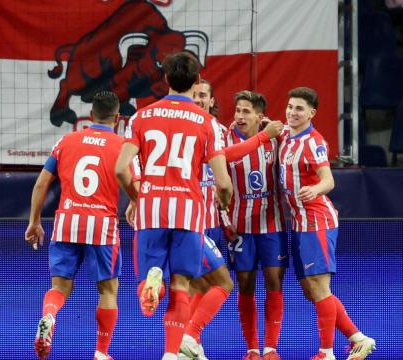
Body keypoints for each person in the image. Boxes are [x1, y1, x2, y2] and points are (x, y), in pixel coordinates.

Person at [114, 51, 233, 360]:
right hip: (189, 212)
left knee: (150, 280)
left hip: (151, 208)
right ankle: (170, 354)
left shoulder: (141, 117)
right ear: (196, 82)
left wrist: (136, 195)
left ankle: (153, 280)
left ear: (165, 79)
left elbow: (120, 167)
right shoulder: (207, 122)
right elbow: (222, 182)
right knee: (183, 283)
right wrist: (224, 201)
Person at [26, 91, 132, 360]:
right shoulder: (122, 145)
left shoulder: (66, 141)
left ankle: (49, 317)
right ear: (117, 118)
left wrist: (34, 221)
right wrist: (135, 202)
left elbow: (41, 184)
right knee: (108, 289)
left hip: (67, 221)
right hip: (102, 225)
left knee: (60, 286)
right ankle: (101, 352)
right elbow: (133, 181)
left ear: (91, 115)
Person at [276, 87, 375, 360]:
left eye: (299, 108)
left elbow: (328, 180)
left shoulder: (313, 141)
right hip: (297, 223)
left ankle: (326, 353)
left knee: (320, 287)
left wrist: (316, 189)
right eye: (290, 106)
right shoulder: (284, 134)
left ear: (312, 113)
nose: (292, 112)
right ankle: (359, 338)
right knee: (311, 290)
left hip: (316, 221)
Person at [223, 90, 287, 360]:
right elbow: (224, 160)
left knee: (274, 282)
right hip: (240, 226)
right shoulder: (226, 137)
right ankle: (251, 348)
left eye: (246, 111)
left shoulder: (277, 138)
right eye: (237, 110)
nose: (239, 116)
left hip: (272, 224)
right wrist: (225, 219)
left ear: (259, 116)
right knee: (245, 284)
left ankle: (270, 348)